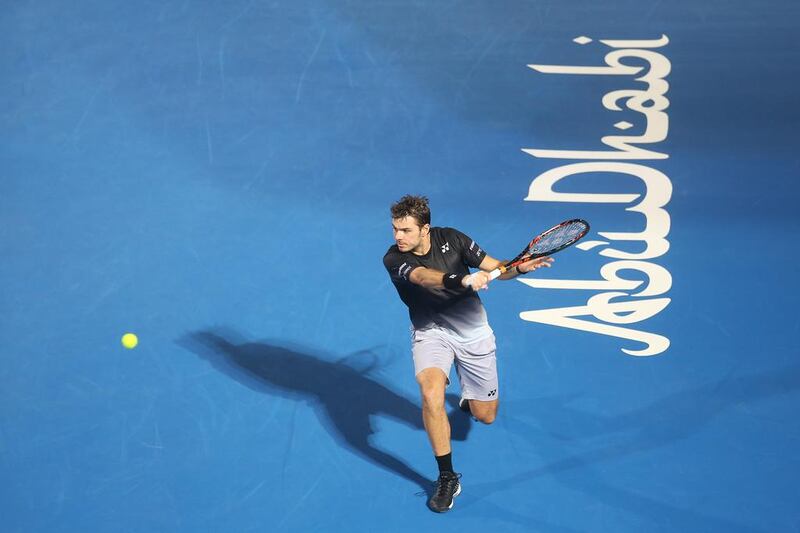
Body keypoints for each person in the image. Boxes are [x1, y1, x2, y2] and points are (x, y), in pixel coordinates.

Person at [382, 195, 554, 513]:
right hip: (431, 333)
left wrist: (519, 269)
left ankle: (467, 398)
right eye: (395, 229)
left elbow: (497, 269)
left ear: (425, 229)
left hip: (473, 335)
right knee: (430, 393)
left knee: (485, 415)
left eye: (405, 230)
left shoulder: (454, 239)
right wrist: (462, 279)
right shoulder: (394, 259)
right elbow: (422, 277)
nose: (398, 237)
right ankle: (447, 476)